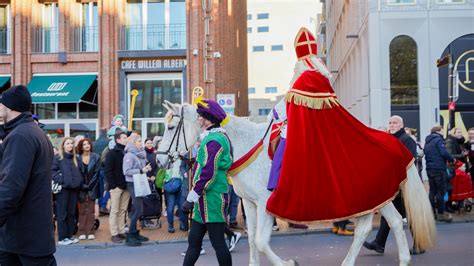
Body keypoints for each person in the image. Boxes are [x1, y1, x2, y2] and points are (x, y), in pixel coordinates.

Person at [266, 28, 414, 225]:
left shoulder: (300, 81)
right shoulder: (322, 78)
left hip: (312, 140)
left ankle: (282, 192)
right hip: (329, 134)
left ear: (298, 63)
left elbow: (281, 113)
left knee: (284, 158)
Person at [0, 85, 56, 265]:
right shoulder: (33, 131)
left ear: (10, 107)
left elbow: (11, 187)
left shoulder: (20, 136)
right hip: (25, 235)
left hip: (25, 234)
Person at [181, 97, 233, 266]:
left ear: (206, 118)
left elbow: (209, 173)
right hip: (203, 200)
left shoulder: (215, 140)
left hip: (212, 198)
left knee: (218, 243)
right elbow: (205, 164)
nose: (197, 119)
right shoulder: (212, 138)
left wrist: (191, 197)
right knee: (194, 242)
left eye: (199, 116)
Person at [364, 115, 419, 254]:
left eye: (395, 122)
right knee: (389, 214)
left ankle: (419, 244)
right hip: (395, 185)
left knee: (410, 216)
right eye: (390, 122)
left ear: (401, 125)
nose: (391, 125)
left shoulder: (407, 140)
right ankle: (379, 243)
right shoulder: (392, 139)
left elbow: (409, 162)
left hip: (405, 186)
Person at [52, 137, 83, 246]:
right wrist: (62, 180)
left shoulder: (76, 158)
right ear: (63, 145)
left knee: (71, 213)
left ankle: (69, 236)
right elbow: (52, 171)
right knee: (62, 213)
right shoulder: (58, 158)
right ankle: (62, 238)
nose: (70, 145)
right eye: (67, 143)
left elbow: (80, 172)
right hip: (63, 190)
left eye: (71, 143)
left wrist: (79, 182)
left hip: (74, 189)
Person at [123, 134, 152, 246]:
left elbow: (140, 169)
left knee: (138, 209)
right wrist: (141, 170)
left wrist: (145, 169)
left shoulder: (139, 155)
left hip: (139, 182)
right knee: (137, 210)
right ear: (134, 142)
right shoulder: (129, 155)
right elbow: (126, 171)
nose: (141, 143)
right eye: (139, 141)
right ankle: (130, 235)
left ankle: (134, 233)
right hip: (132, 183)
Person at [424, 125, 455, 222]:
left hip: (429, 168)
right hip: (438, 168)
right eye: (442, 130)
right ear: (438, 131)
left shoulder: (427, 141)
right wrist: (451, 159)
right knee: (441, 191)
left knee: (432, 190)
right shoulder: (438, 140)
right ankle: (441, 213)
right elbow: (443, 152)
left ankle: (432, 213)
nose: (443, 132)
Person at [105, 132, 130, 243]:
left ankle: (121, 231)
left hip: (126, 185)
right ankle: (114, 233)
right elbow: (108, 171)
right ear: (118, 139)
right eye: (124, 137)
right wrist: (113, 185)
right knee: (114, 210)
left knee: (123, 210)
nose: (126, 139)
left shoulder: (127, 152)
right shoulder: (112, 153)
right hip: (116, 187)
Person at [76, 138, 101, 241]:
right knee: (82, 210)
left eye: (88, 144)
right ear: (81, 147)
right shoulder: (77, 158)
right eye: (84, 144)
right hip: (80, 187)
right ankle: (82, 231)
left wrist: (89, 185)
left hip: (93, 187)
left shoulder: (96, 157)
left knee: (90, 211)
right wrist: (82, 185)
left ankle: (90, 231)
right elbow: (77, 173)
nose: (87, 146)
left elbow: (97, 172)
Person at [94, 127, 110, 216]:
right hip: (105, 168)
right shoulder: (108, 142)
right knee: (108, 187)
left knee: (100, 188)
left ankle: (100, 205)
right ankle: (103, 205)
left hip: (97, 168)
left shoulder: (95, 143)